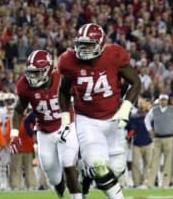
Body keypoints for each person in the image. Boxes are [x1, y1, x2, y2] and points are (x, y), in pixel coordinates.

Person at [57, 23, 141, 199]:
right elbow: (63, 91)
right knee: (99, 166)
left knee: (116, 169)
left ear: (101, 44)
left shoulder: (114, 55)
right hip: (87, 120)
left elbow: (135, 82)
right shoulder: (68, 61)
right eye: (82, 44)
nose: (84, 49)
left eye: (89, 45)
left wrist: (125, 108)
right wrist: (66, 119)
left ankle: (86, 174)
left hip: (113, 119)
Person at [10, 50, 82, 199]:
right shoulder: (25, 85)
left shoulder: (62, 78)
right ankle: (61, 191)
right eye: (31, 72)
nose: (33, 77)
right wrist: (14, 134)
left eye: (37, 72)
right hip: (44, 131)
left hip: (66, 125)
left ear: (49, 70)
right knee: (53, 177)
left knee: (68, 163)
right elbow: (18, 110)